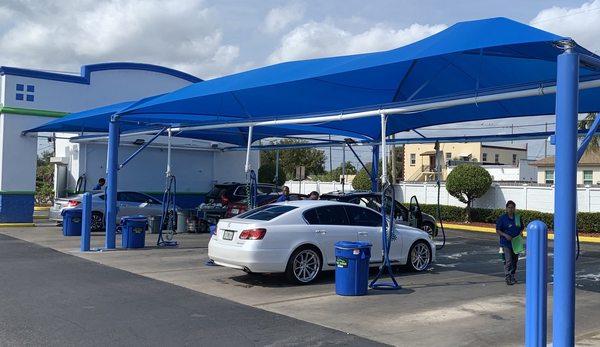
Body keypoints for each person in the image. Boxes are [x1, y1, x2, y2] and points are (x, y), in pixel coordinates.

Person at [496, 200, 524, 285]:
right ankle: (507, 276)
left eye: (512, 208)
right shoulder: (502, 218)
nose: (511, 209)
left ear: (515, 208)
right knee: (508, 260)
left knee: (515, 261)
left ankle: (512, 275)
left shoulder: (518, 217)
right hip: (506, 243)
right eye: (509, 207)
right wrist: (505, 235)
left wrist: (520, 233)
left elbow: (522, 227)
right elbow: (498, 230)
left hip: (516, 243)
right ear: (506, 208)